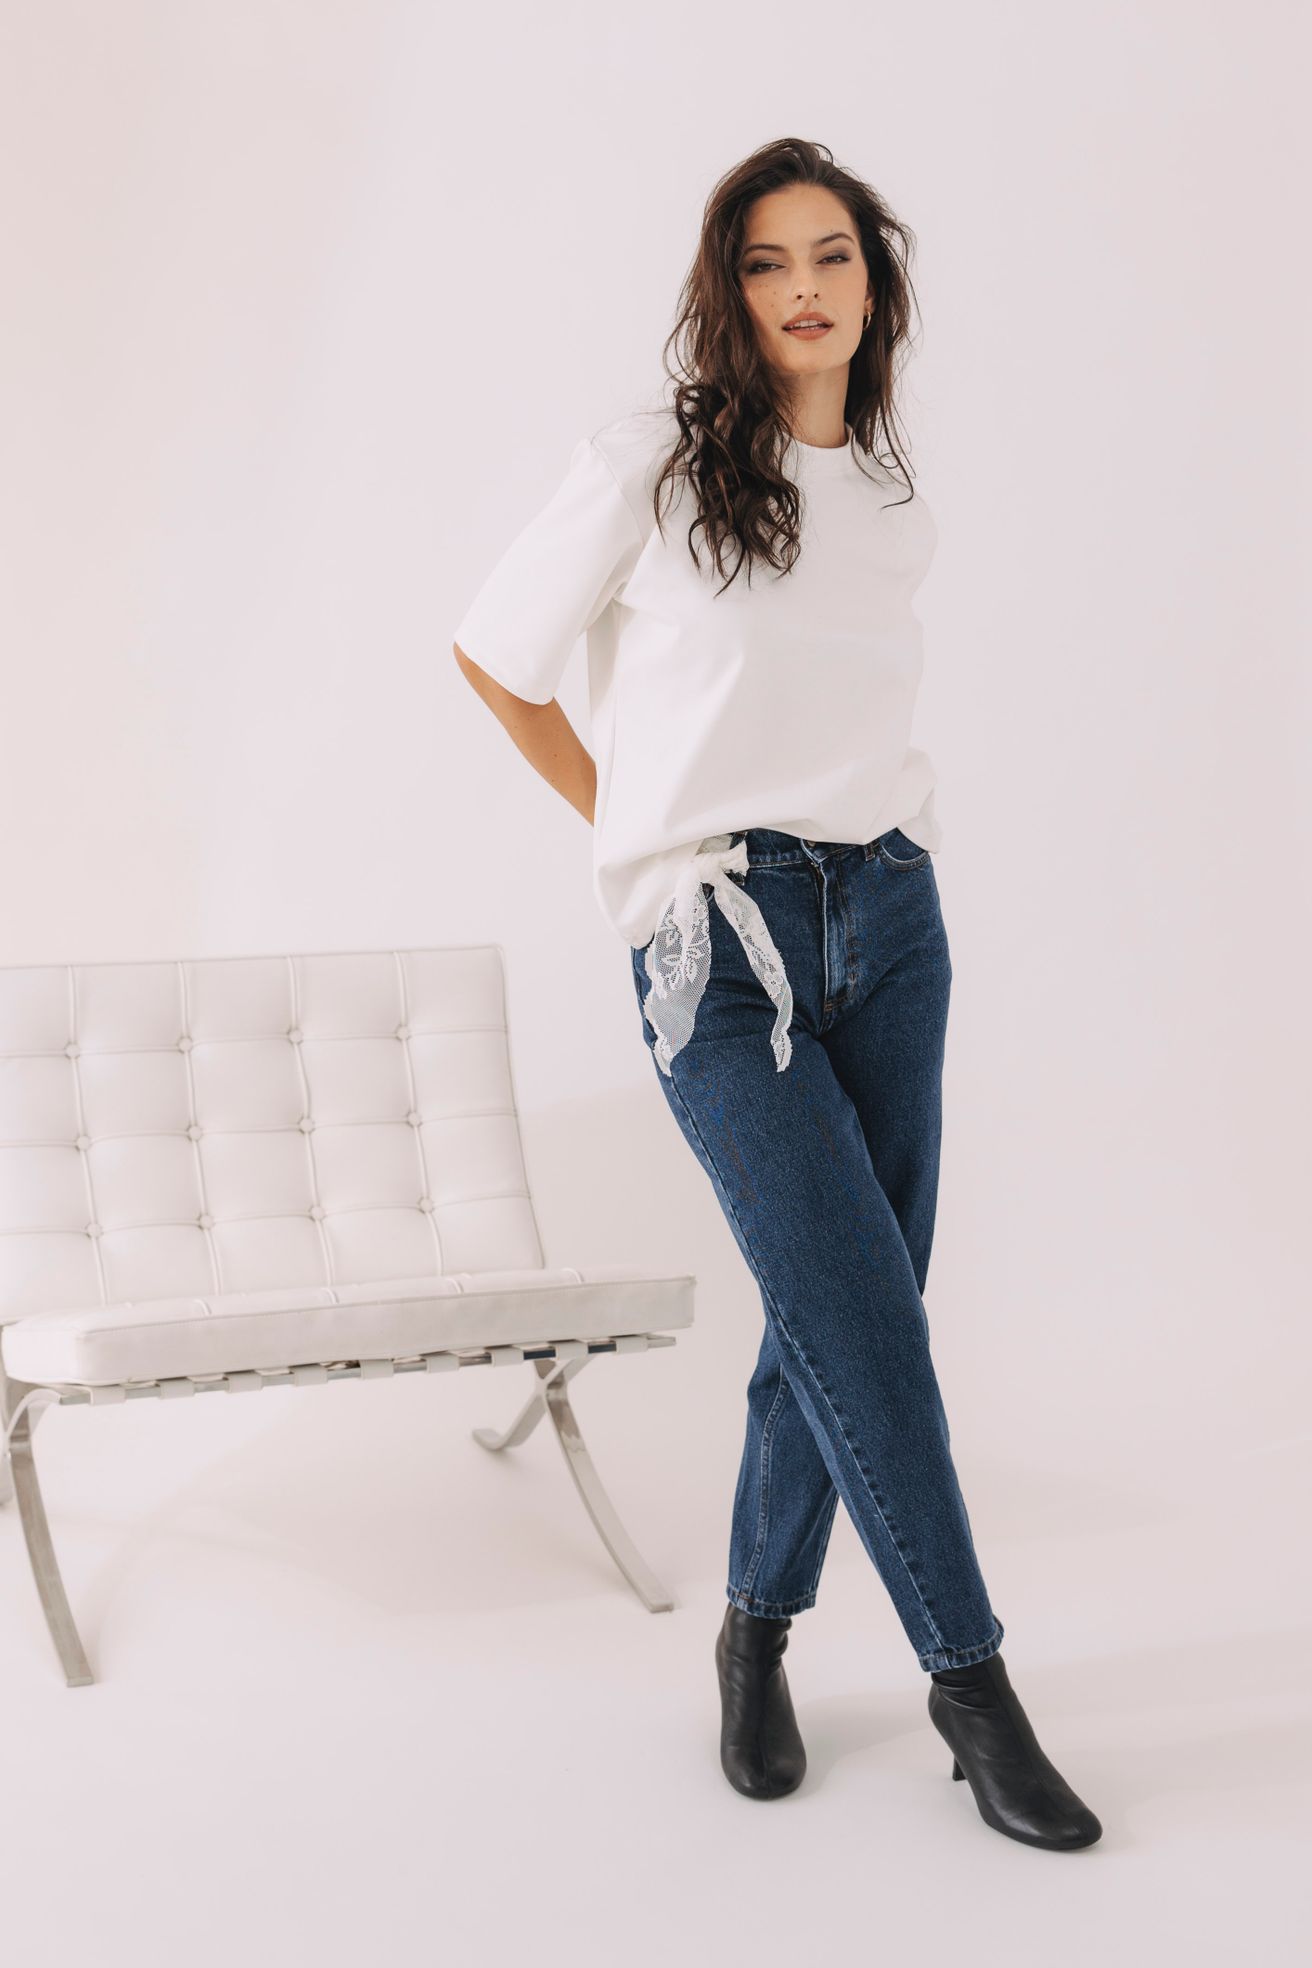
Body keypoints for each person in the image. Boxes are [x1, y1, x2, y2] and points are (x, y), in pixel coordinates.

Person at [453, 136, 1102, 1852]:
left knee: (841, 1304)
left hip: (891, 920)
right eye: (765, 261)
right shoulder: (655, 467)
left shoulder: (888, 494)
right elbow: (497, 658)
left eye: (832, 256)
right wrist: (640, 832)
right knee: (863, 1319)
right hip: (715, 950)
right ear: (725, 290)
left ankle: (754, 1636)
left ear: (874, 286)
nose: (803, 288)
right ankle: (974, 1686)